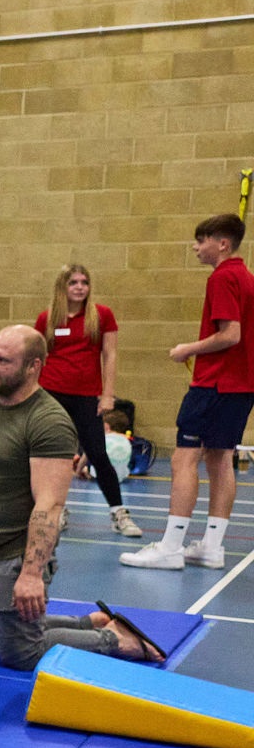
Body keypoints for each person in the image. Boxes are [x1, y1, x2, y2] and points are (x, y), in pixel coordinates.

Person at [0, 325, 159, 668]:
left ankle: (115, 640)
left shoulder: (48, 421)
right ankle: (88, 624)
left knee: (22, 653)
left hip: (12, 558)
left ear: (33, 367)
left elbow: (50, 505)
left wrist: (31, 573)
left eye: (3, 360)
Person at [121, 214, 254, 571]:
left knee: (183, 459)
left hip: (215, 384)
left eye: (201, 240)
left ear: (222, 244)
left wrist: (188, 349)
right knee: (220, 459)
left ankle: (171, 547)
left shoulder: (224, 277)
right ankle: (211, 547)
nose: (196, 247)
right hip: (241, 386)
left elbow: (231, 334)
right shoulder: (246, 277)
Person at [33, 264, 141, 537]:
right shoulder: (47, 319)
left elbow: (110, 355)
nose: (80, 287)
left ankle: (118, 512)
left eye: (84, 282)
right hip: (51, 395)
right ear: (63, 287)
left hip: (86, 397)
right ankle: (56, 509)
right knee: (54, 457)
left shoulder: (101, 316)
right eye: (73, 283)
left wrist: (107, 394)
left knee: (97, 453)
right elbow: (37, 359)